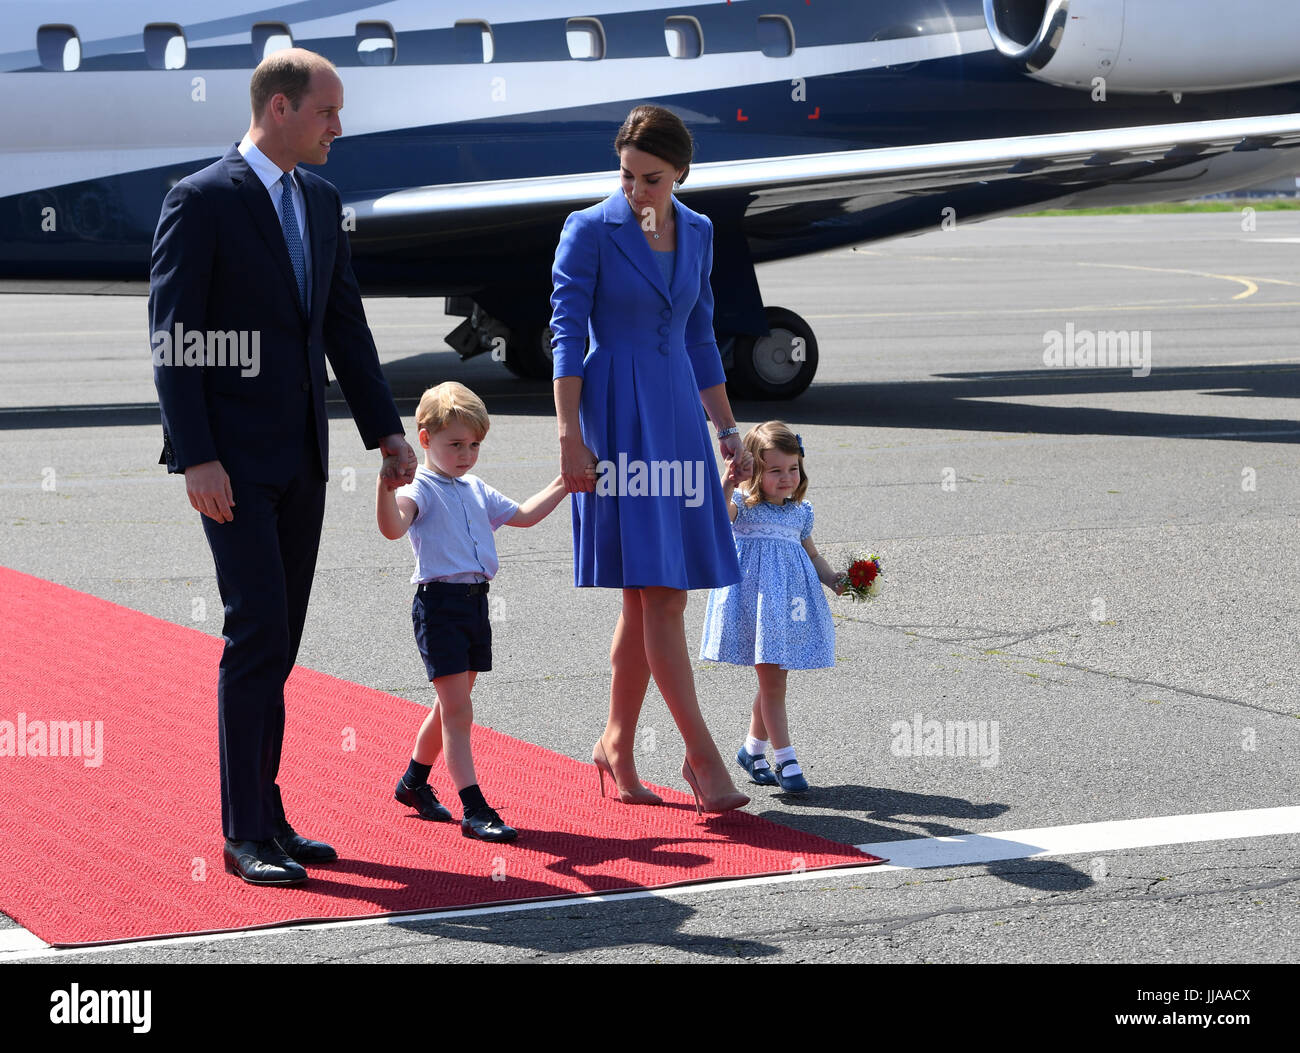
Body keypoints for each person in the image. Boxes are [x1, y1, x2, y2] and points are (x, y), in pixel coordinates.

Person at [150, 49, 417, 886]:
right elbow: (173, 340)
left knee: (282, 637)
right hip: (229, 463)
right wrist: (195, 456)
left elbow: (345, 326)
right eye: (327, 112)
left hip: (304, 455)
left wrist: (387, 432)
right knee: (256, 629)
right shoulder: (201, 201)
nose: (340, 127)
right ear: (277, 109)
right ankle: (241, 833)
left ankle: (267, 811)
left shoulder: (322, 199)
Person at [550, 104, 751, 815]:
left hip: (677, 420)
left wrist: (728, 431)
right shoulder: (588, 229)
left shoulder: (698, 231)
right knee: (660, 594)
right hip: (616, 419)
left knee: (651, 596)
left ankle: (614, 741)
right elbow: (566, 335)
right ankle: (702, 758)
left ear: (681, 173)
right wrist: (570, 434)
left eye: (652, 178)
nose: (636, 191)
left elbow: (701, 336)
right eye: (628, 175)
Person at [377, 382, 568, 842]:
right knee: (459, 710)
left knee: (450, 707)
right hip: (439, 607)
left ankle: (413, 783)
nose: (466, 454)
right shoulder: (418, 488)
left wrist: (564, 482)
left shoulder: (473, 486)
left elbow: (522, 514)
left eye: (474, 445)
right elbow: (391, 527)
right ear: (425, 440)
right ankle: (475, 808)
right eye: (455, 444)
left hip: (474, 605)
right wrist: (385, 488)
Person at [699, 422, 845, 793]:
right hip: (755, 606)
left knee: (774, 681)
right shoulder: (743, 506)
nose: (786, 478)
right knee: (773, 681)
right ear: (756, 471)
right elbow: (714, 516)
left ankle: (752, 750)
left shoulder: (800, 512)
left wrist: (834, 580)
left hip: (790, 606)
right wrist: (729, 478)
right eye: (775, 471)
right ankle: (787, 760)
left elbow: (812, 554)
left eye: (792, 469)